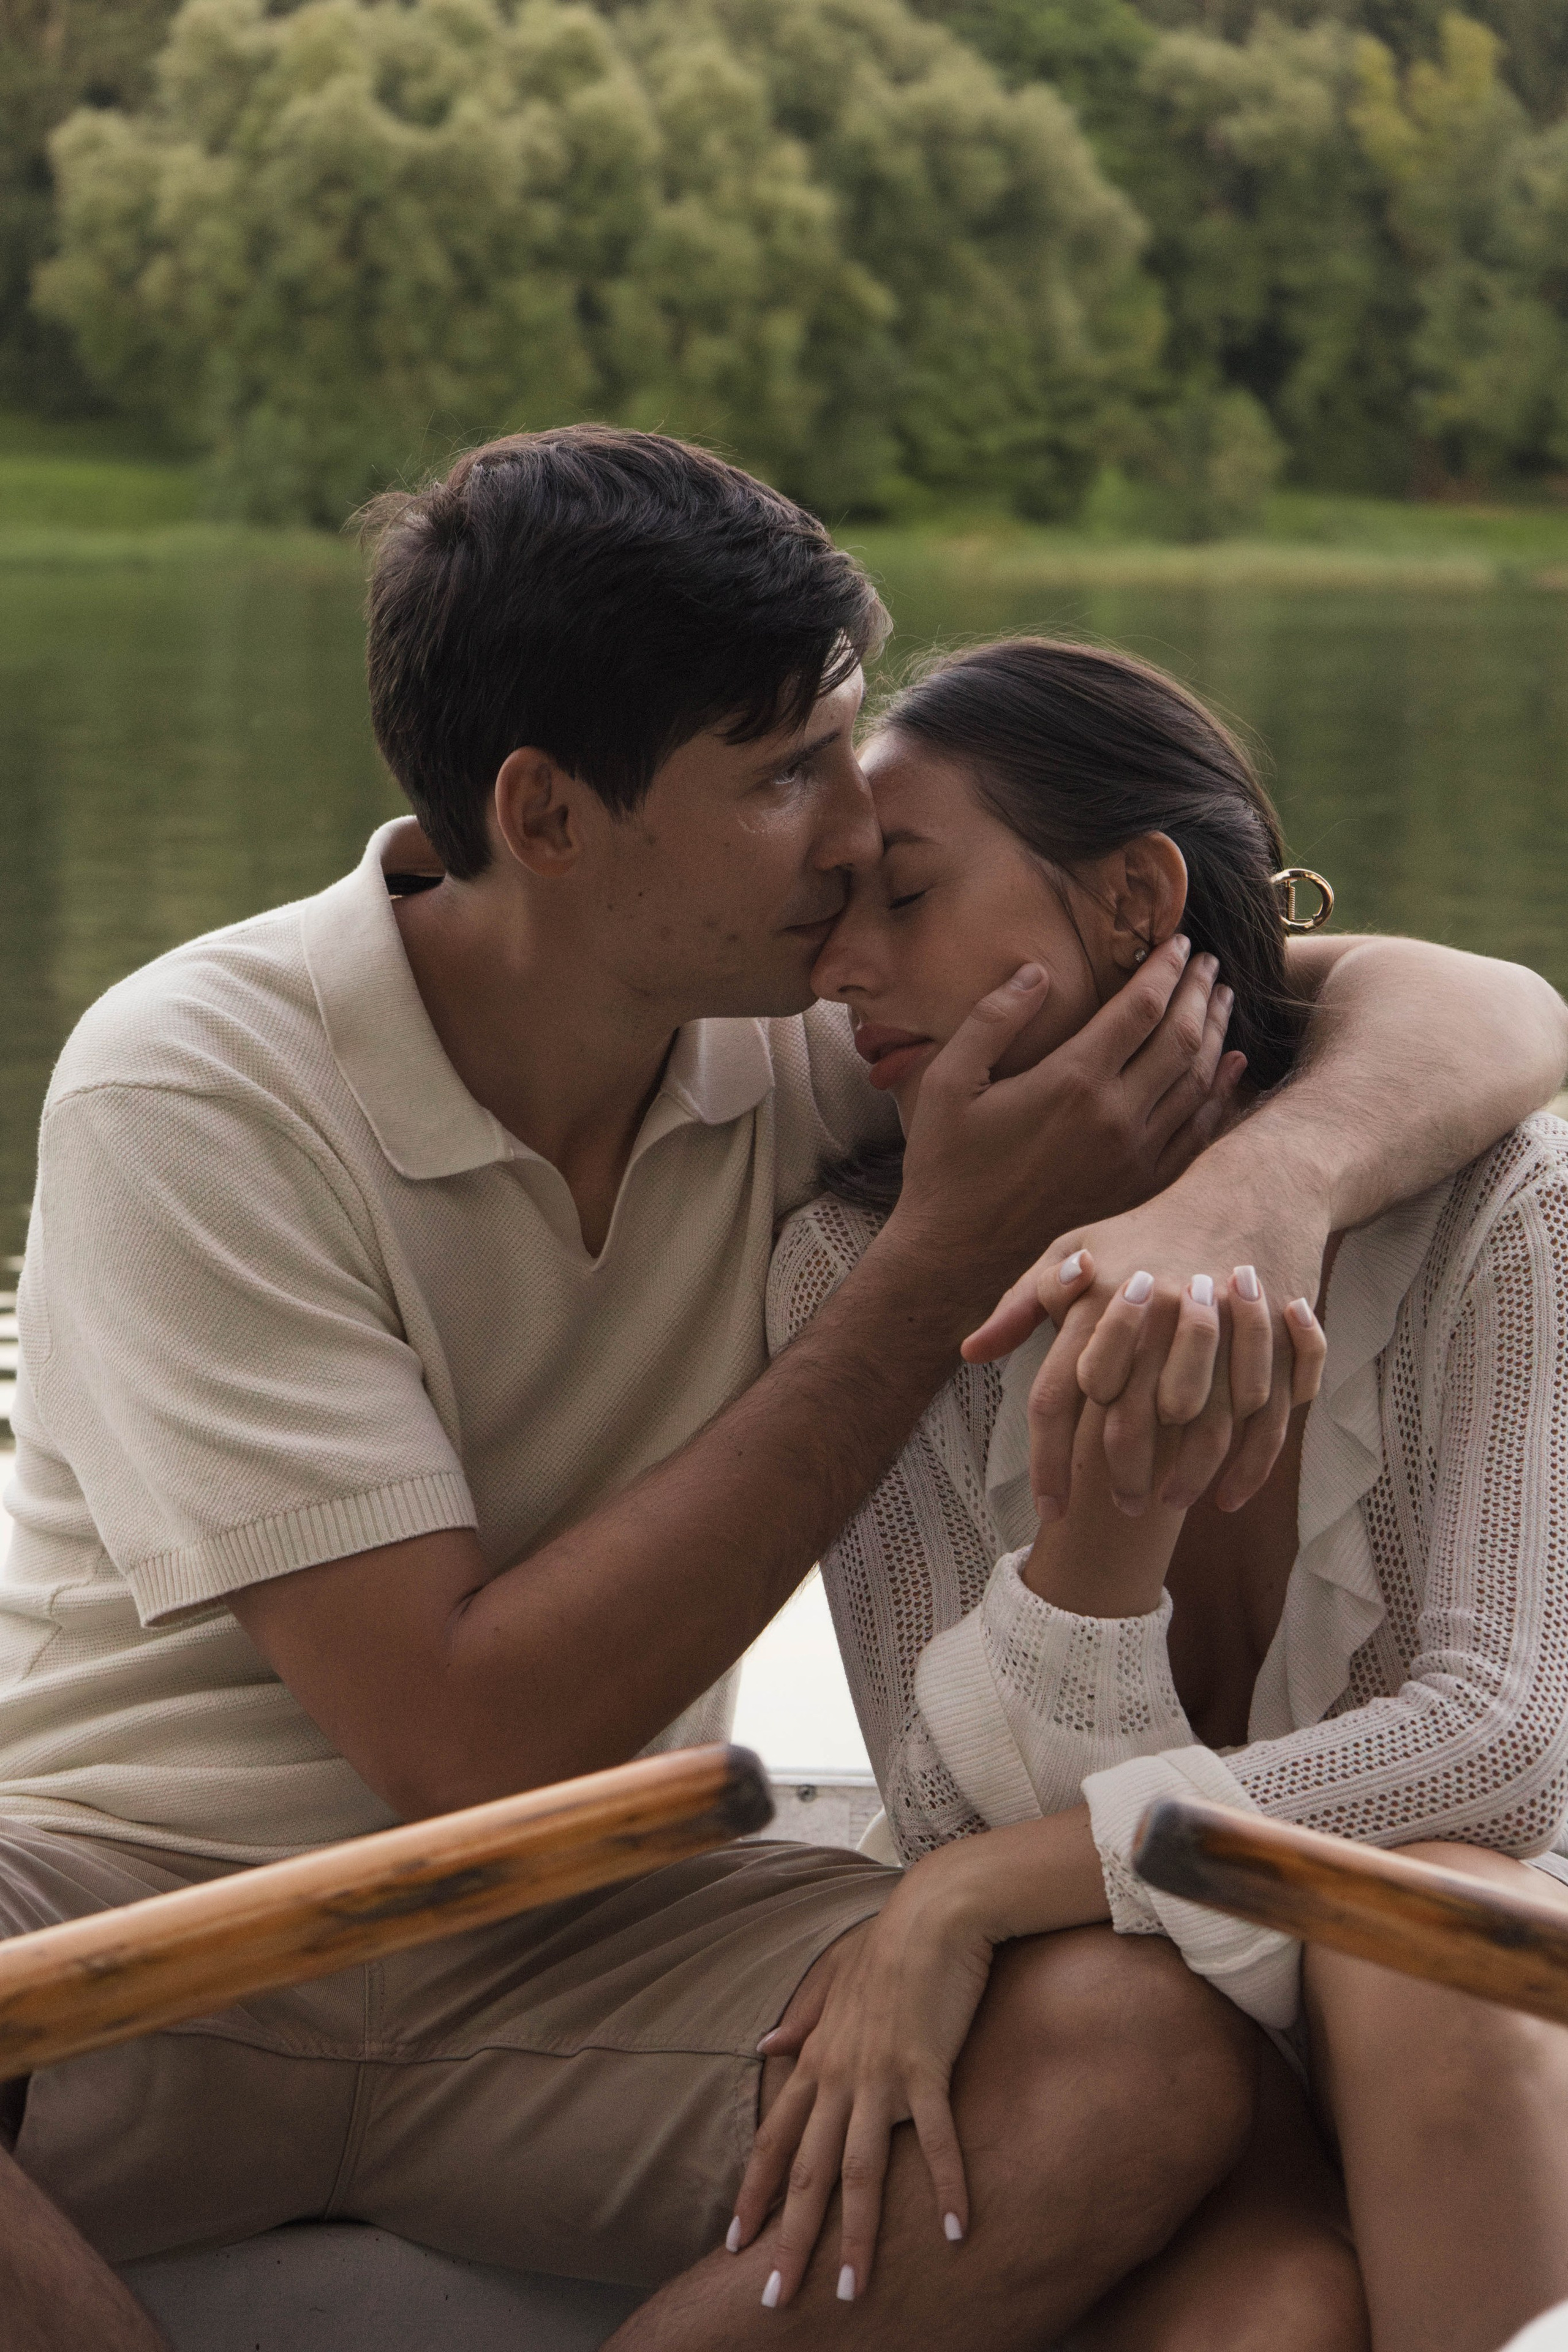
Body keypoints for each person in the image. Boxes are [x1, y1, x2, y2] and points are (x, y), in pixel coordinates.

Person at [0, 432, 1562, 2352]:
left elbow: (1478, 1010)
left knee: (1139, 2062)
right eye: (785, 774)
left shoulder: (814, 1036)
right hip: (128, 1922)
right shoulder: (194, 1086)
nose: (845, 838)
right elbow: (460, 1742)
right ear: (550, 816)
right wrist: (933, 1267)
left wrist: (1263, 1191)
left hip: (591, 1934)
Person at [742, 636, 1568, 2352]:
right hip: (1132, 2024)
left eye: (904, 896)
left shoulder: (1503, 1200)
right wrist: (1100, 1550)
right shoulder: (849, 1267)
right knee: (1264, 2319)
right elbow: (939, 1805)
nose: (840, 967)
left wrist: (980, 1890)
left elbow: (1498, 1742)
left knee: (1420, 1934)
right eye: (834, 913)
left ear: (1132, 898)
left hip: (1478, 2000)